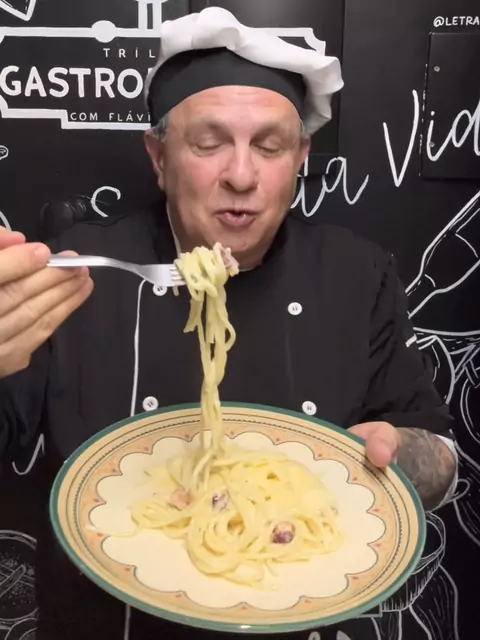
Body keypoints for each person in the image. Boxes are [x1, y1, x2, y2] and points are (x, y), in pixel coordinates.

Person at [0, 7, 457, 640]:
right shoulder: (77, 272)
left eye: (269, 147)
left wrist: (402, 459)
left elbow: (438, 454)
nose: (241, 176)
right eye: (208, 143)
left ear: (300, 157)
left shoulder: (358, 274)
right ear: (159, 157)